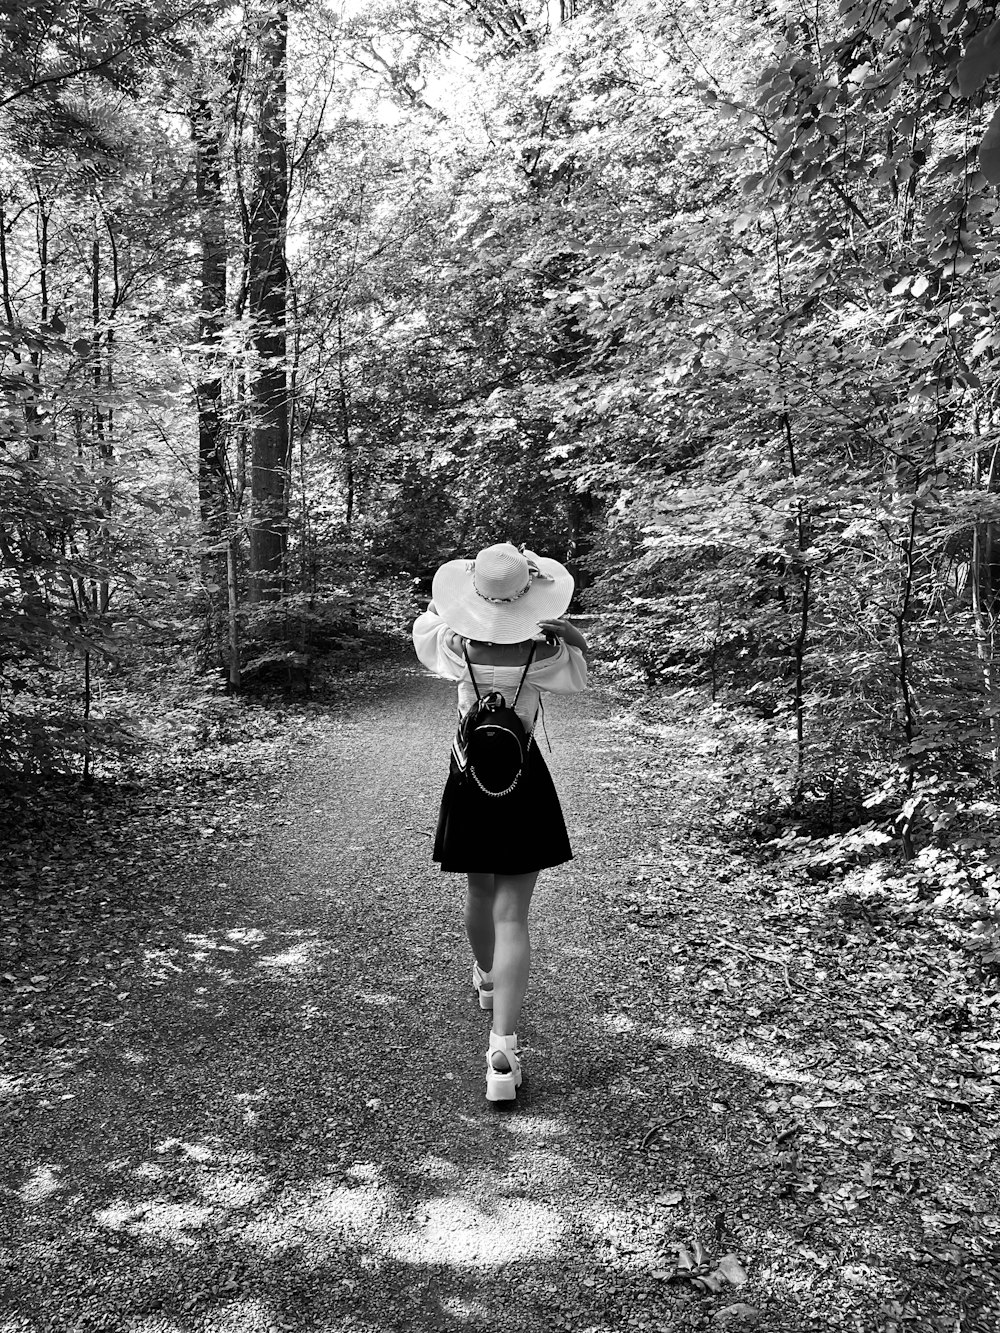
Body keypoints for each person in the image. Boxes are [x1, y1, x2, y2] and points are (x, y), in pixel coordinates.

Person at [412, 541, 589, 1102]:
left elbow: (427, 625)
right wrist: (561, 633)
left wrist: (463, 608)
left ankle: (486, 978)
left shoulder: (452, 641)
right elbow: (578, 675)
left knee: (478, 888)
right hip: (522, 777)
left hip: (468, 776)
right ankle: (502, 1053)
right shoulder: (545, 654)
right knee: (515, 913)